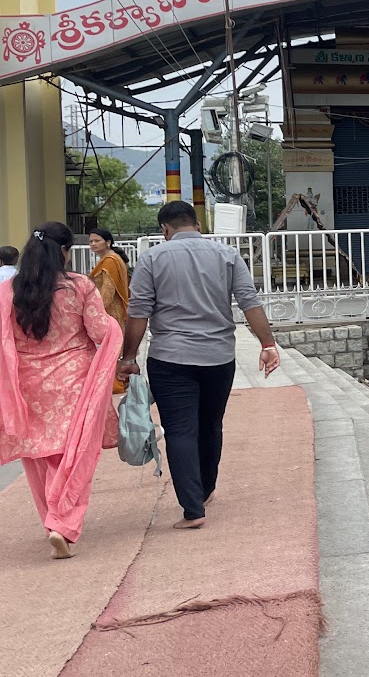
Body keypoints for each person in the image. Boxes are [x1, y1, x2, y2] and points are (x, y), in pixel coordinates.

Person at [118, 201, 280, 530]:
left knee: (180, 429)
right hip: (219, 358)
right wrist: (267, 344)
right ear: (198, 225)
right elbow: (250, 300)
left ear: (165, 229)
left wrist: (128, 357)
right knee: (210, 424)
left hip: (170, 359)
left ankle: (192, 509)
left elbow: (139, 312)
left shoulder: (152, 257)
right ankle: (205, 489)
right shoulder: (227, 255)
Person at [0, 222, 121, 559]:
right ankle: (62, 524)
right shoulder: (79, 286)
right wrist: (115, 330)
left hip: (27, 383)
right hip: (73, 379)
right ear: (65, 251)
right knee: (76, 453)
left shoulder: (10, 291)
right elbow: (99, 330)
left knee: (39, 456)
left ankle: (51, 522)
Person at [87, 228, 131, 393]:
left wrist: (96, 311)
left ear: (108, 242)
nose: (93, 244)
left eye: (97, 240)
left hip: (110, 311)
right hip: (113, 310)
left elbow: (107, 290)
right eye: (91, 241)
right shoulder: (109, 259)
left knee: (111, 347)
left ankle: (115, 384)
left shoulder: (110, 261)